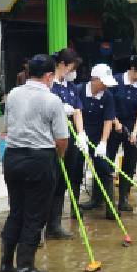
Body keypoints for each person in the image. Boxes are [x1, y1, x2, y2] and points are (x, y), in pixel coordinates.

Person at [0, 54, 70, 272]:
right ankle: (24, 267)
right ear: (49, 76)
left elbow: (6, 128)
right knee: (34, 215)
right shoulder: (52, 100)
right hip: (39, 159)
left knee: (16, 212)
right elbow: (62, 139)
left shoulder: (13, 94)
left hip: (12, 158)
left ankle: (5, 266)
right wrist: (58, 157)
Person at [46, 49, 90, 240]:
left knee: (63, 181)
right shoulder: (49, 85)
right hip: (52, 139)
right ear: (62, 65)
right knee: (51, 180)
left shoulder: (71, 86)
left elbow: (78, 110)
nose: (74, 72)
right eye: (72, 68)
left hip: (69, 138)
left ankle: (54, 225)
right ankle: (41, 226)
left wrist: (81, 134)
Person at [107, 55, 137, 213]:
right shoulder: (115, 81)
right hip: (113, 125)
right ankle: (104, 198)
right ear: (132, 69)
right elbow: (109, 105)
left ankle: (124, 198)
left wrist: (134, 131)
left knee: (130, 162)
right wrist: (116, 122)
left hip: (132, 126)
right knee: (107, 160)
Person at [79, 64, 119, 217]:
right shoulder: (79, 91)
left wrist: (103, 142)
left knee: (104, 168)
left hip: (98, 136)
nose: (106, 86)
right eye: (104, 83)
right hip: (80, 137)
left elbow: (108, 120)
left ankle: (110, 208)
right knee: (76, 170)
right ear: (95, 80)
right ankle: (76, 208)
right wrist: (80, 135)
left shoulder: (107, 96)